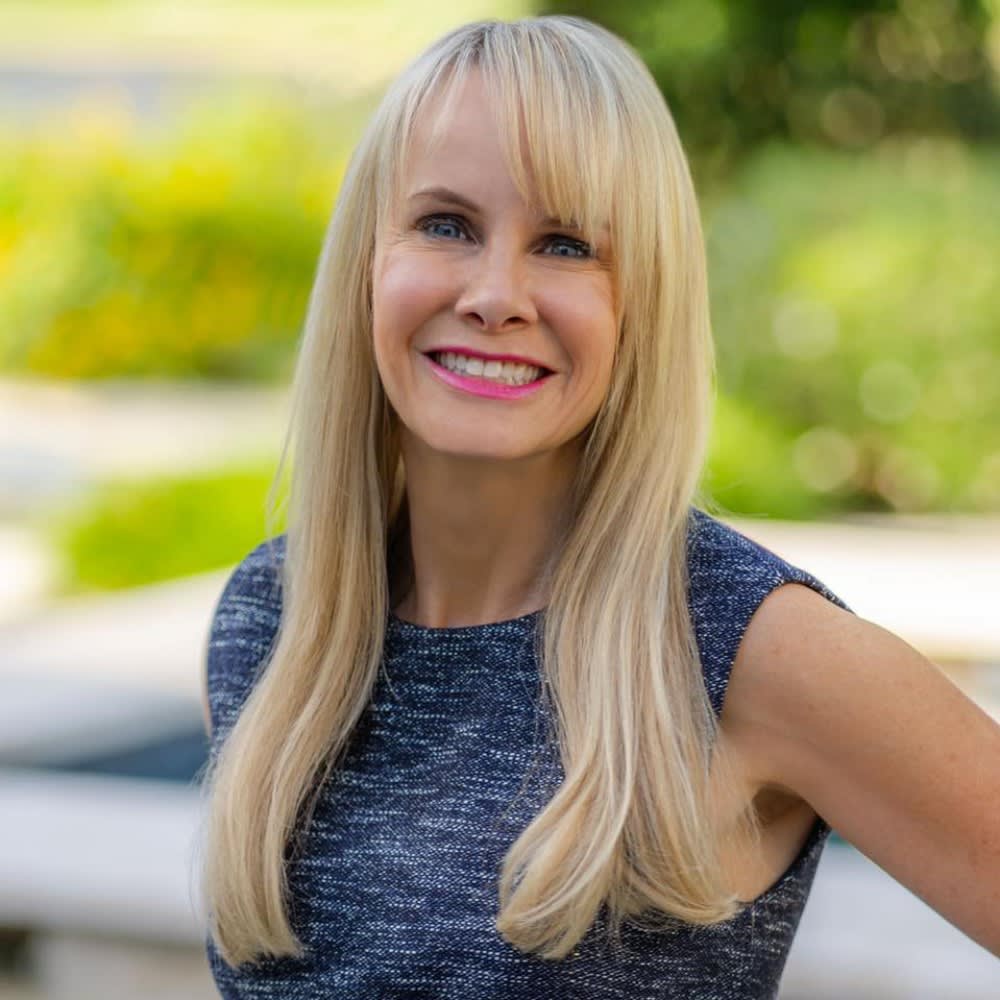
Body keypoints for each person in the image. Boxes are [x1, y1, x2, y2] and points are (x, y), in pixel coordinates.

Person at [199, 15, 1000, 999]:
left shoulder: (749, 648)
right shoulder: (268, 626)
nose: (496, 293)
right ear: (370, 258)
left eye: (565, 242)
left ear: (641, 302)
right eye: (446, 224)